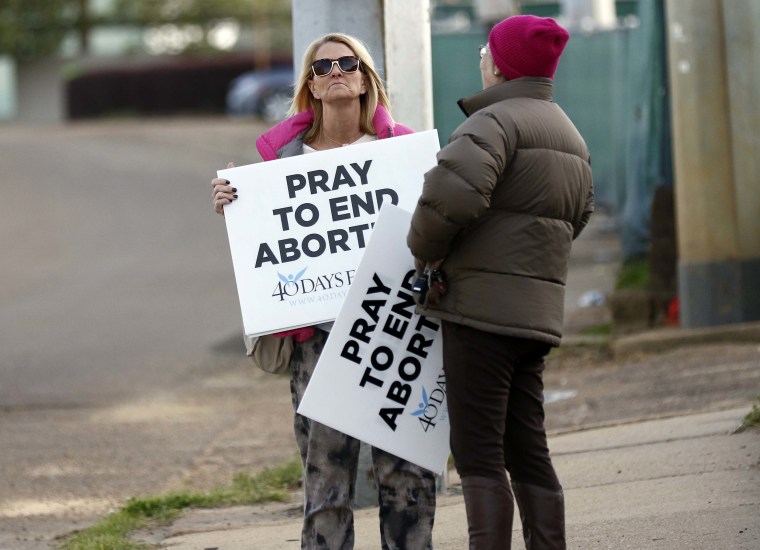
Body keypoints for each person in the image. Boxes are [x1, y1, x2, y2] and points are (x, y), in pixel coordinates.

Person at [211, 33, 436, 550]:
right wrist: (234, 202)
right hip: (318, 343)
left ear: (364, 78)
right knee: (325, 486)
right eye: (323, 66)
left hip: (396, 332)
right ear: (310, 85)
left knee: (407, 482)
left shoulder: (401, 151)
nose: (336, 71)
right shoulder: (280, 163)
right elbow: (269, 238)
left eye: (347, 63)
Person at [407, 15, 593, 550]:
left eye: (486, 53)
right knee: (528, 447)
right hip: (535, 318)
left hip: (480, 314)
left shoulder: (492, 123)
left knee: (479, 453)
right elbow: (578, 217)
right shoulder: (568, 133)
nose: (482, 61)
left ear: (500, 63)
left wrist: (427, 252)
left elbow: (451, 199)